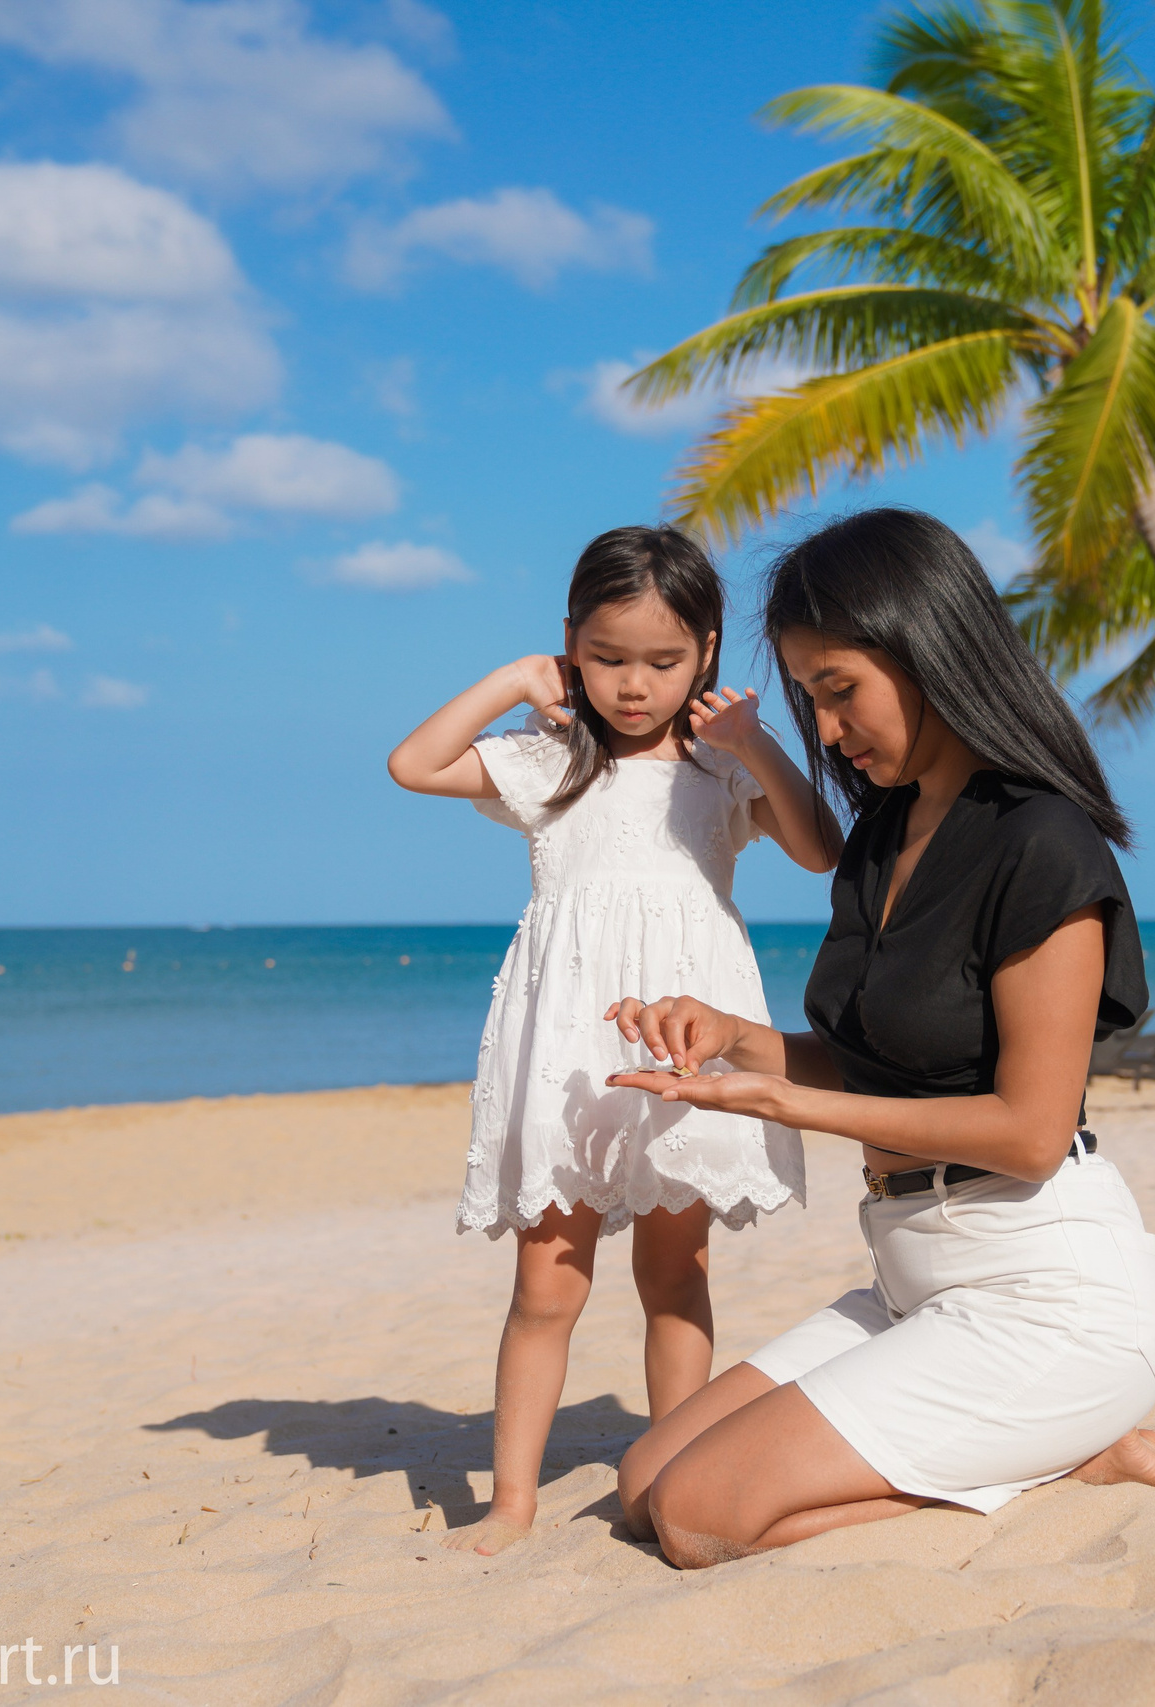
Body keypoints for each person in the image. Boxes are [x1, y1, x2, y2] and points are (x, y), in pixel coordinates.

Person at [601, 508, 1155, 1570]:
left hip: (1045, 1296)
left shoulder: (1039, 841)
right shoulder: (884, 834)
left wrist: (786, 1103)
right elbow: (875, 1065)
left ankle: (1072, 1456)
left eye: (839, 689)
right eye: (809, 697)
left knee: (700, 1517)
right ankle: (1030, 1450)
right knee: (645, 1480)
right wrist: (735, 1039)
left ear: (927, 648)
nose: (828, 728)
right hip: (912, 1279)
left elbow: (1029, 1134)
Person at [385, 523, 838, 1555]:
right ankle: (511, 1500)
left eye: (664, 661)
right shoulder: (550, 764)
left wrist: (754, 742)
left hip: (686, 1041)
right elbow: (414, 764)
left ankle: (676, 1472)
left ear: (706, 653)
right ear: (571, 648)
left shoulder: (722, 771)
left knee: (676, 1277)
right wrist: (516, 680)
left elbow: (822, 850)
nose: (634, 685)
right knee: (547, 1283)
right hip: (567, 1052)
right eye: (607, 657)